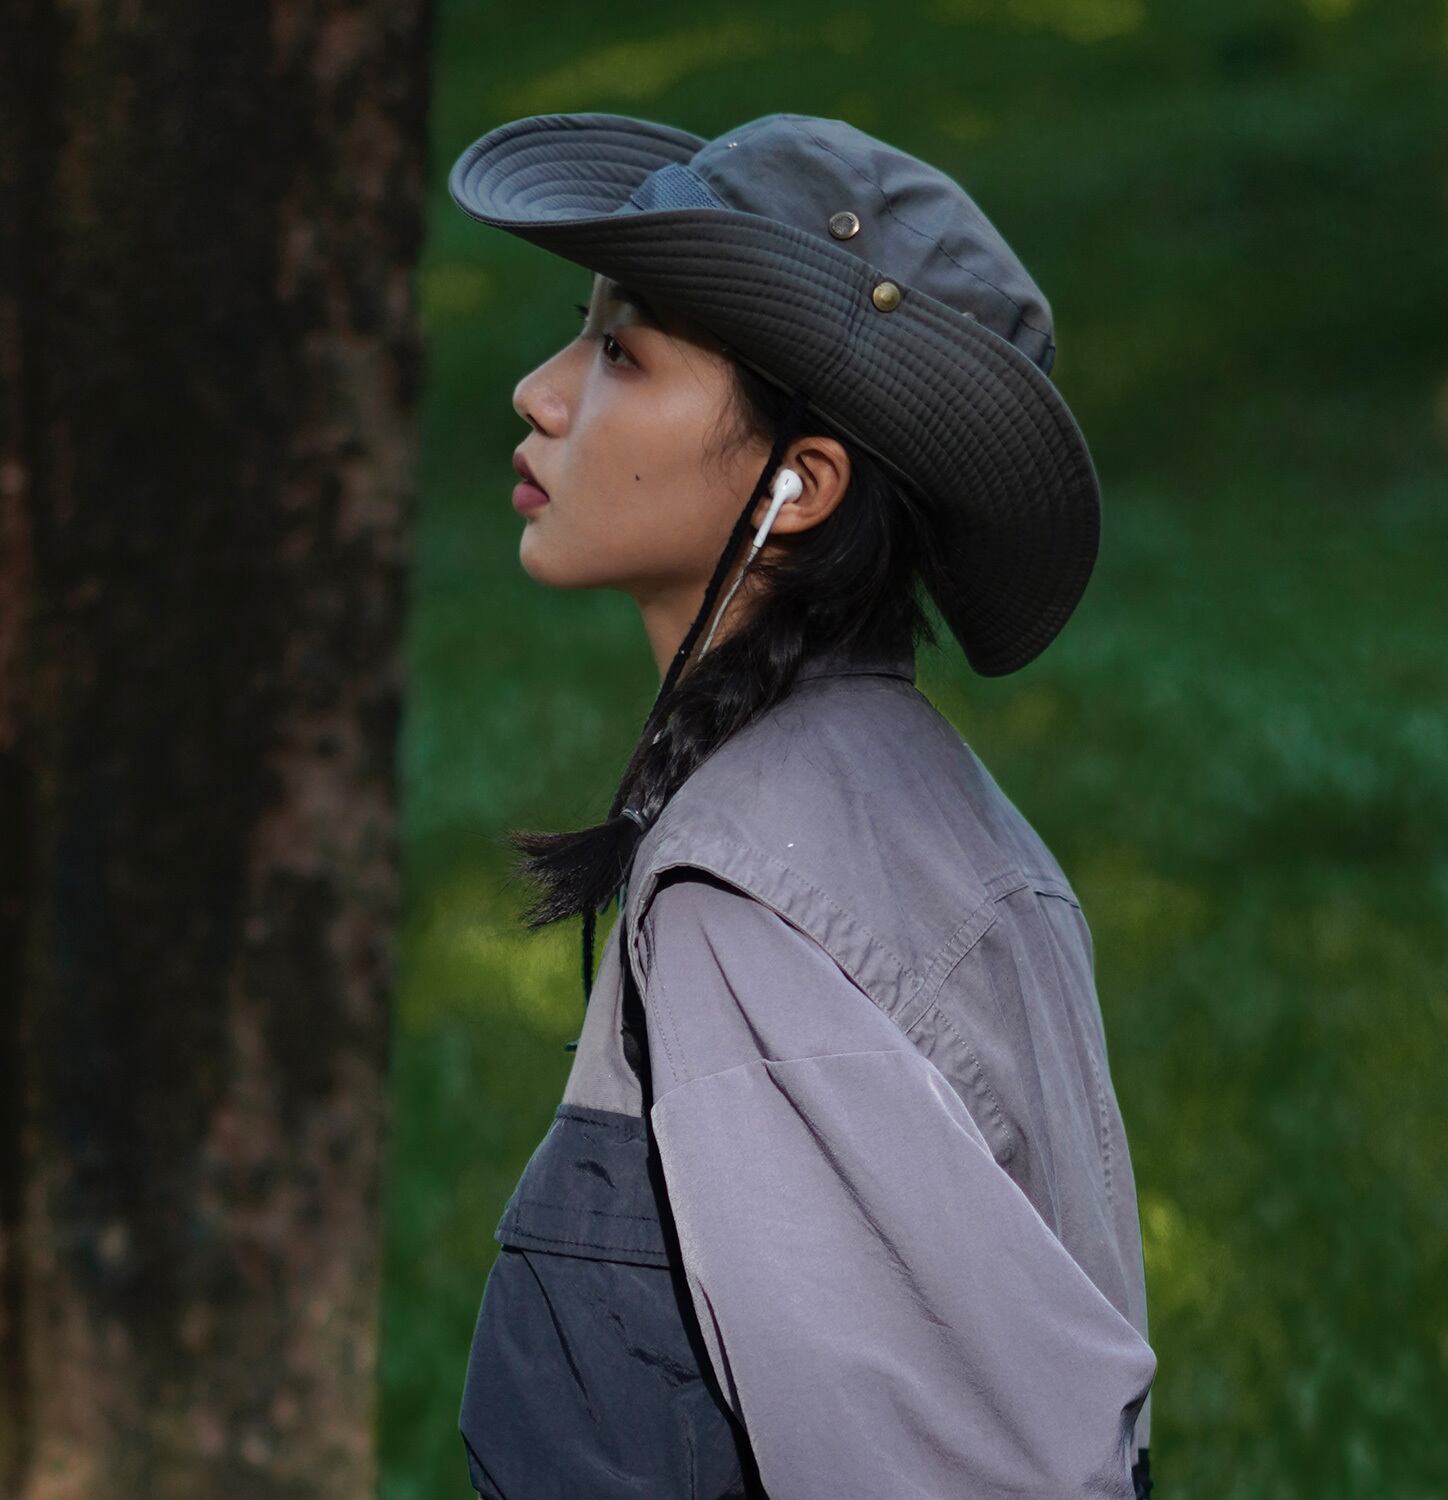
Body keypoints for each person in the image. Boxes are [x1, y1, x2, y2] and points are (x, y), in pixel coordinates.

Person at [448, 109, 1157, 1499]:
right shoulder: (928, 804)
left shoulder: (746, 890)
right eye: (577, 333)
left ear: (800, 485)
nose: (538, 393)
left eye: (621, 355)